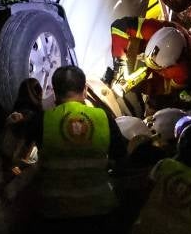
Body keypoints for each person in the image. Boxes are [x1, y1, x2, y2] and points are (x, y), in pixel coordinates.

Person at [10, 65, 126, 220]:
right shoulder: (103, 117)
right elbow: (122, 158)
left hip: (53, 212)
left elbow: (15, 159)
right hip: (99, 209)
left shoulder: (42, 120)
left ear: (55, 92)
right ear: (85, 90)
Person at [108, 16, 191, 112]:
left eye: (157, 68)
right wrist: (120, 64)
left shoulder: (183, 70)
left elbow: (166, 89)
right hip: (178, 37)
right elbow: (119, 26)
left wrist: (142, 87)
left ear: (170, 65)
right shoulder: (154, 29)